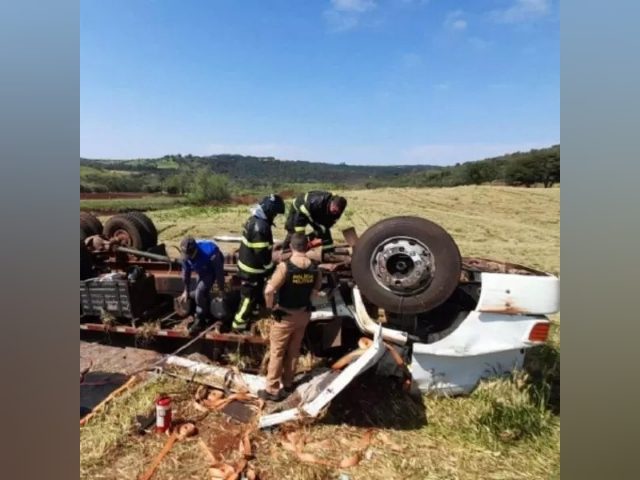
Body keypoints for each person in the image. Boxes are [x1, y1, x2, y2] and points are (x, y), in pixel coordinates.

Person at [258, 233, 323, 401]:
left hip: (284, 316)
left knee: (277, 352)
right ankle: (288, 384)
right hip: (303, 315)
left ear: (292, 247)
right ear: (307, 247)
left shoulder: (285, 267)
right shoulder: (315, 268)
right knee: (294, 351)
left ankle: (272, 390)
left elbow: (269, 290)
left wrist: (270, 308)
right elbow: (315, 293)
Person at [232, 194, 286, 333]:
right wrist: (270, 269)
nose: (275, 216)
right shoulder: (260, 227)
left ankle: (252, 317)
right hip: (251, 271)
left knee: (255, 296)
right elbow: (262, 253)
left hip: (251, 268)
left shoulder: (256, 220)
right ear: (269, 211)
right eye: (275, 213)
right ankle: (238, 326)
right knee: (248, 299)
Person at [178, 236, 225, 335]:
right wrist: (185, 290)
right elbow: (186, 273)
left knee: (200, 291)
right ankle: (206, 310)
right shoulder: (185, 257)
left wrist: (221, 289)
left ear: (194, 251)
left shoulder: (210, 252)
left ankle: (200, 319)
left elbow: (219, 272)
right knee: (200, 292)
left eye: (188, 255)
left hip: (210, 269)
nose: (186, 257)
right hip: (201, 269)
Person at [282, 191, 347, 255]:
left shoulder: (338, 210)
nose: (334, 213)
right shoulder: (317, 202)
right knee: (293, 231)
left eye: (336, 212)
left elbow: (327, 225)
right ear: (331, 203)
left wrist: (317, 234)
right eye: (333, 210)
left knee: (323, 230)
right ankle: (284, 251)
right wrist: (301, 236)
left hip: (315, 212)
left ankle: (328, 252)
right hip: (299, 208)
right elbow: (301, 215)